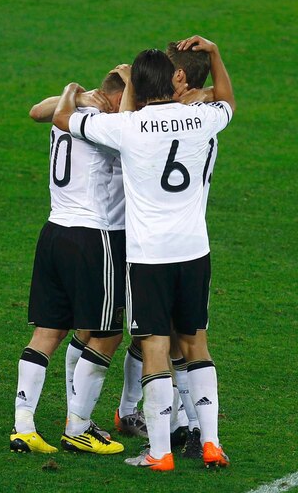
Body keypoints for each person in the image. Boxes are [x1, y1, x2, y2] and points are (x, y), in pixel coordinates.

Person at [52, 36, 235, 471]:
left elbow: (61, 118)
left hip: (149, 257)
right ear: (174, 81)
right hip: (195, 250)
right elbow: (227, 99)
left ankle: (160, 453)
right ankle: (210, 442)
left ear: (138, 86)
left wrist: (81, 91)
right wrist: (214, 54)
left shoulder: (127, 127)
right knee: (196, 345)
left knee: (153, 347)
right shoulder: (203, 118)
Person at [10, 70, 127, 455]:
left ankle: (23, 425)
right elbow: (131, 125)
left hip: (54, 231)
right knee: (108, 333)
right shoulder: (108, 124)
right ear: (115, 99)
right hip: (93, 236)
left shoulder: (70, 112)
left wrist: (73, 92)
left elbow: (35, 111)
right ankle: (77, 427)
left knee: (48, 333)